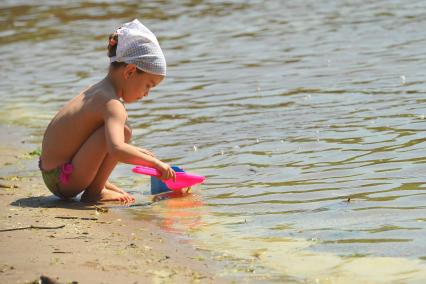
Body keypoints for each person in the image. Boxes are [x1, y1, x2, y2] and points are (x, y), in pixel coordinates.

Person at [39, 19, 176, 203]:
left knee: (119, 134)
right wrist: (156, 164)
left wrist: (136, 151)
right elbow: (117, 148)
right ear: (129, 71)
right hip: (64, 181)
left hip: (53, 173)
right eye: (148, 85)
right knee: (123, 133)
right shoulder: (113, 105)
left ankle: (98, 184)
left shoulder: (95, 91)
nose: (146, 94)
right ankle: (95, 192)